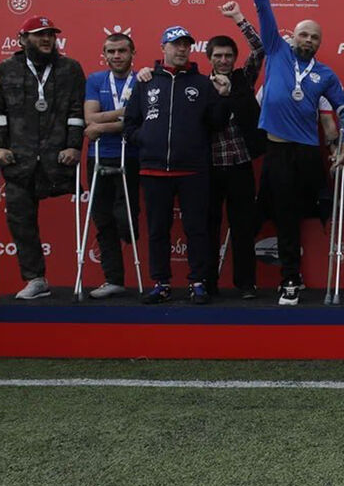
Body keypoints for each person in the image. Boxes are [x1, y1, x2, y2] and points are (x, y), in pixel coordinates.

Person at [243, 0, 344, 305]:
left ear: (320, 43)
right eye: (304, 34)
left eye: (315, 37)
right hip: (276, 152)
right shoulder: (276, 50)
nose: (308, 39)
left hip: (307, 154)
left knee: (312, 212)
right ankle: (290, 279)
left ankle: (301, 276)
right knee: (284, 217)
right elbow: (263, 5)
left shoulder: (325, 74)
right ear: (294, 35)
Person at [123, 26, 231, 304]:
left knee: (197, 229)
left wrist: (223, 96)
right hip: (153, 168)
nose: (182, 49)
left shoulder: (203, 83)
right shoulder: (146, 81)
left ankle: (198, 282)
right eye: (176, 44)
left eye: (186, 45)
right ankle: (161, 283)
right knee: (158, 229)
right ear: (163, 47)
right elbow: (130, 123)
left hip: (193, 169)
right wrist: (145, 139)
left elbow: (217, 124)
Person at [0, 15, 85, 299]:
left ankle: (98, 277)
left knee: (99, 212)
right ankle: (35, 279)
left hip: (58, 158)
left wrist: (74, 147)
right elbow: (0, 114)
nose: (47, 39)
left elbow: (76, 112)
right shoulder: (6, 70)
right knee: (20, 219)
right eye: (39, 34)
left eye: (50, 34)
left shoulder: (70, 69)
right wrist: (0, 147)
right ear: (23, 39)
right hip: (18, 159)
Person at [204, 1, 267, 299]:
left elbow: (260, 49)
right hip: (209, 167)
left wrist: (239, 18)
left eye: (229, 55)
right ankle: (207, 284)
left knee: (243, 228)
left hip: (241, 164)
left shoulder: (243, 77)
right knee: (208, 228)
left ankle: (246, 284)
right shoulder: (199, 86)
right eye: (218, 55)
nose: (224, 60)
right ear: (209, 58)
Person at [82, 32, 141, 298]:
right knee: (102, 219)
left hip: (131, 155)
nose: (116, 56)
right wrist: (123, 114)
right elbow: (89, 118)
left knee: (125, 216)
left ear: (132, 53)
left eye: (122, 51)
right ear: (104, 54)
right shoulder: (96, 80)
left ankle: (129, 232)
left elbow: (138, 121)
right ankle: (113, 279)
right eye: (111, 51)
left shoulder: (142, 81)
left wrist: (103, 125)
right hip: (98, 155)